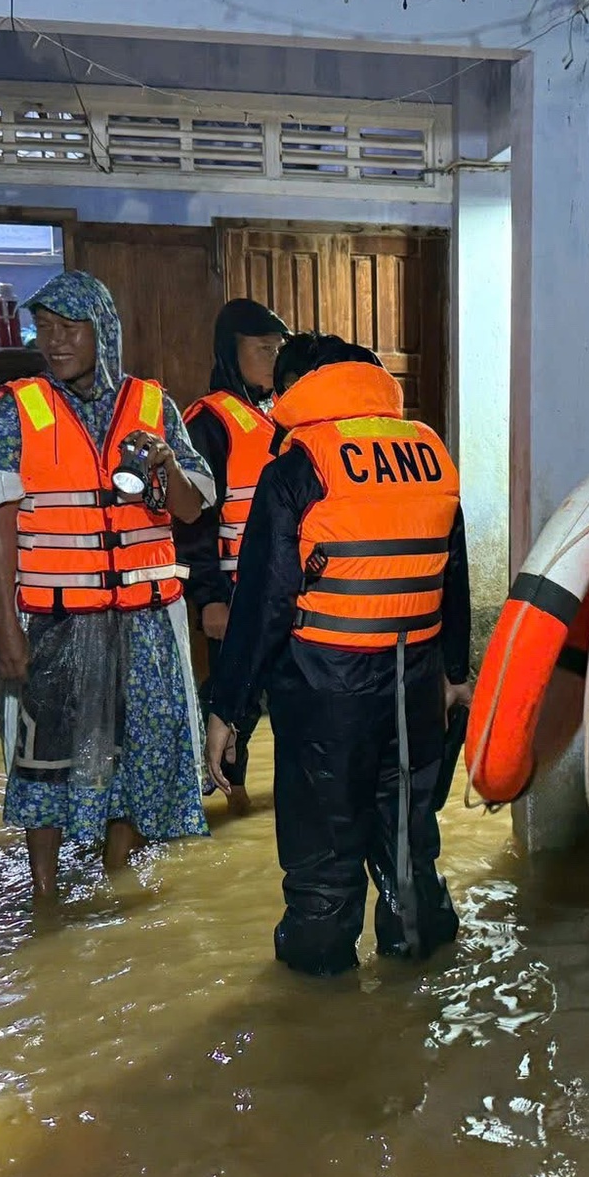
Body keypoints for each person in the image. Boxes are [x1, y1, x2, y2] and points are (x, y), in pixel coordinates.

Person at [204, 334, 472, 975]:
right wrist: (455, 676)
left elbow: (264, 603)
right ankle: (420, 992)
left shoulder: (301, 463)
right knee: (409, 847)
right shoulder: (429, 451)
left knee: (324, 860)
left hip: (327, 689)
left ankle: (317, 1017)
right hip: (415, 682)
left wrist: (228, 712)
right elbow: (453, 574)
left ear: (298, 388)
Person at [0, 271, 215, 901]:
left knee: (144, 746)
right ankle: (44, 891)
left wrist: (163, 460)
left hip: (147, 617)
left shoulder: (156, 406)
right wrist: (3, 623)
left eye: (68, 327)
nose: (54, 341)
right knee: (46, 758)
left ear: (103, 330)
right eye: (43, 329)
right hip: (56, 617)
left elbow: (189, 509)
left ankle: (116, 867)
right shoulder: (14, 411)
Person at [178, 298, 289, 811]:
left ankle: (267, 801)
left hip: (283, 592)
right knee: (231, 697)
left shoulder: (282, 416)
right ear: (231, 352)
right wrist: (209, 599)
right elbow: (195, 521)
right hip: (234, 595)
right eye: (262, 349)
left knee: (285, 697)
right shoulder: (209, 422)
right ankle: (228, 798)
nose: (273, 358)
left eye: (278, 349)